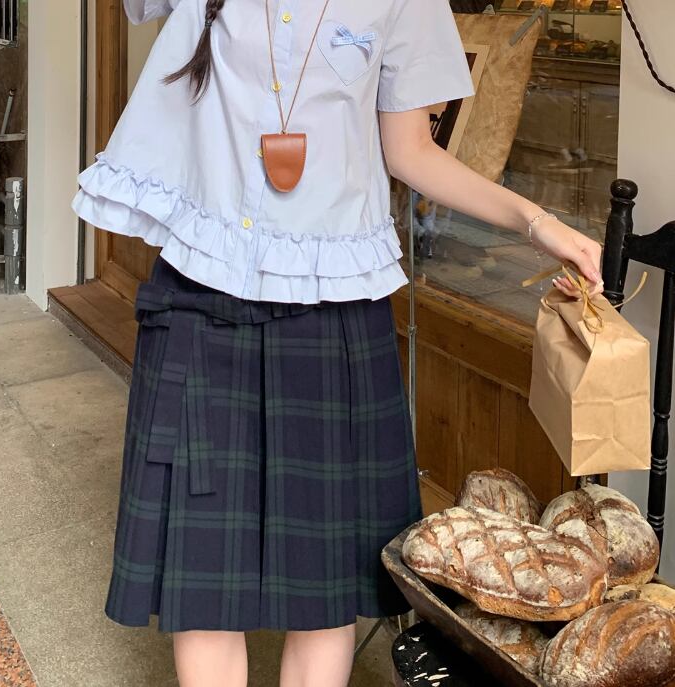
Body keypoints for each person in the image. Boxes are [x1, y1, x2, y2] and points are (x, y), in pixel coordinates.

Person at [71, 0, 603, 685]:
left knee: (322, 591)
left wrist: (537, 222)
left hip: (333, 308)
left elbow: (410, 151)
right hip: (202, 295)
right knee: (202, 587)